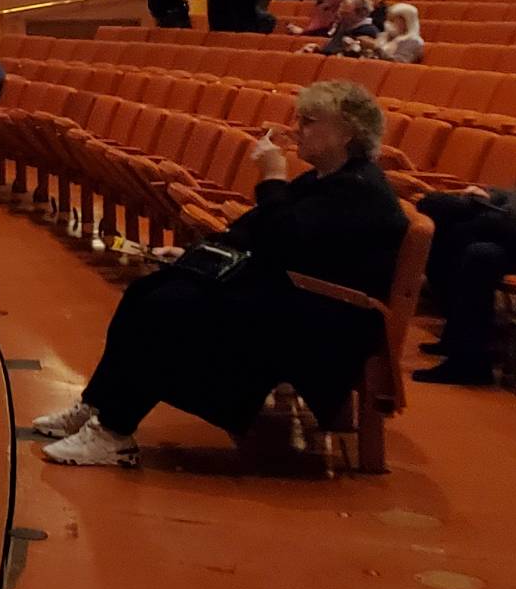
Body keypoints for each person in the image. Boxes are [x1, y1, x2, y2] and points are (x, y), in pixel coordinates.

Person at [37, 80, 407, 466]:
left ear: (347, 132)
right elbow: (255, 232)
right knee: (149, 290)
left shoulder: (360, 190)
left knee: (168, 308)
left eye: (310, 121)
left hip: (328, 324)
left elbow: (284, 239)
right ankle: (97, 406)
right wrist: (194, 254)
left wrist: (272, 177)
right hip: (297, 297)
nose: (297, 129)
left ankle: (113, 432)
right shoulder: (326, 179)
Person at [410, 183, 516, 385]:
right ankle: (458, 339)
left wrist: (490, 211)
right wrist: (489, 195)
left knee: (476, 251)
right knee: (441, 218)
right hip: (514, 230)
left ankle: (469, 361)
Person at [307, 0, 380, 58]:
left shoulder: (368, 31)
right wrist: (318, 49)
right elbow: (331, 49)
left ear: (360, 14)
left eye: (345, 13)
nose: (340, 16)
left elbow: (347, 56)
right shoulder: (345, 25)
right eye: (340, 12)